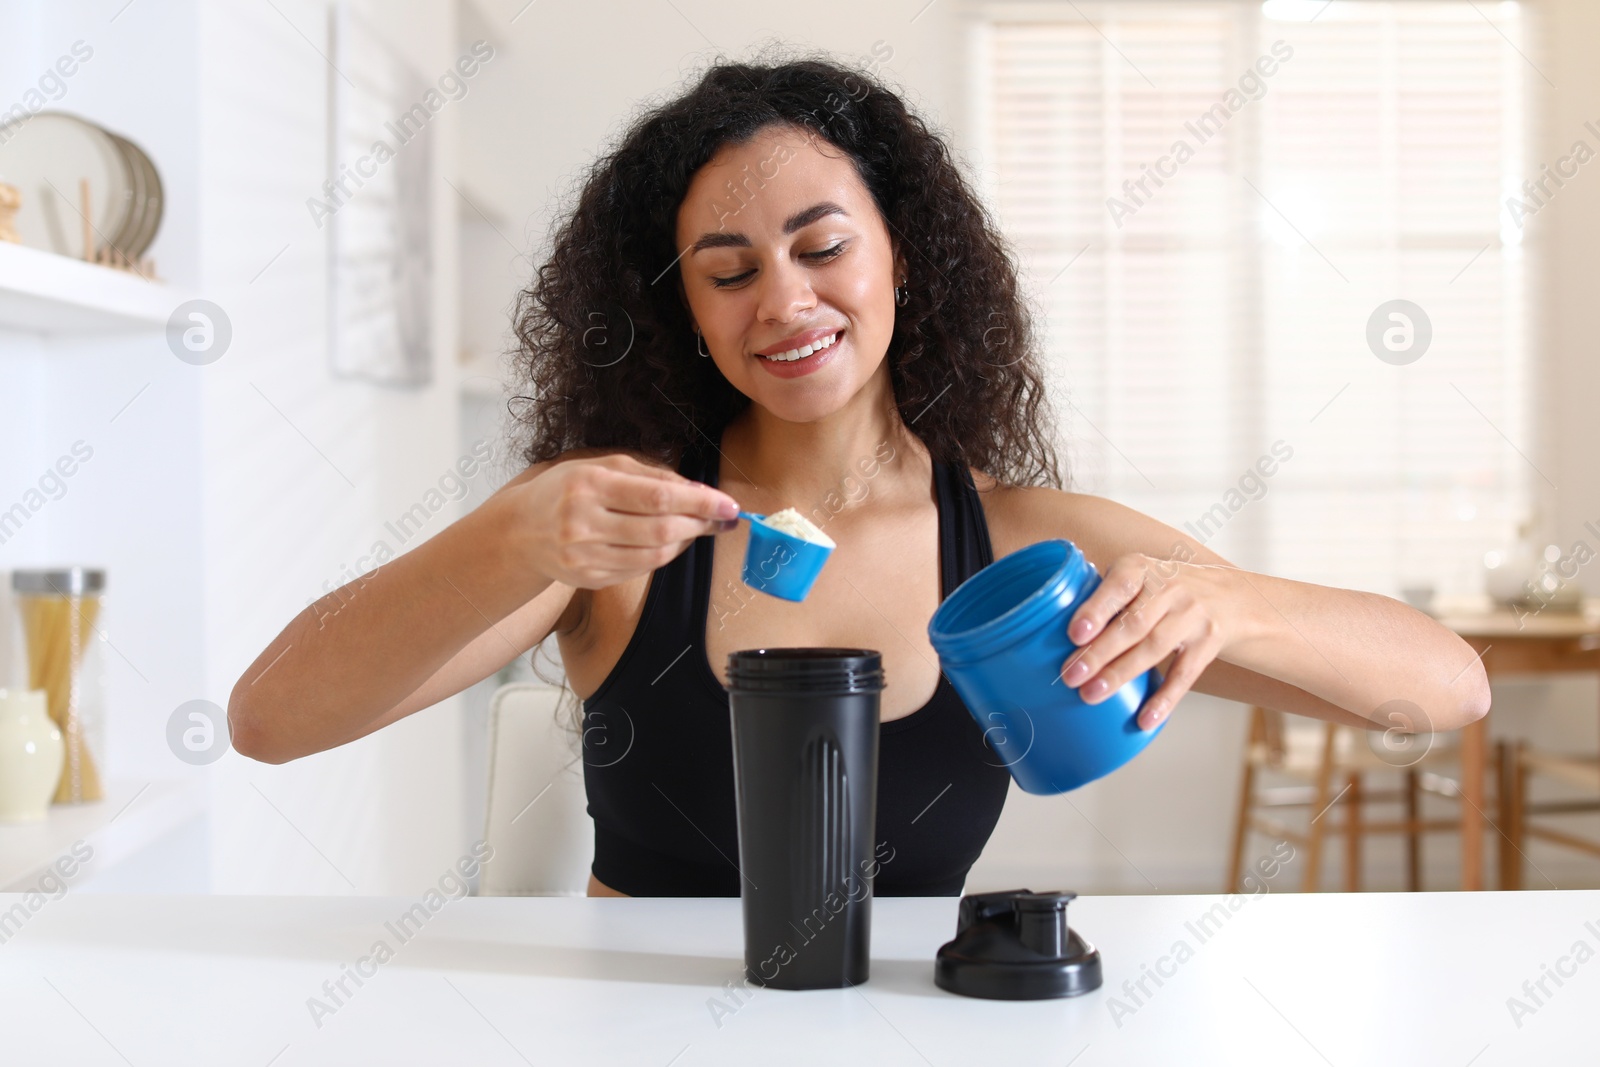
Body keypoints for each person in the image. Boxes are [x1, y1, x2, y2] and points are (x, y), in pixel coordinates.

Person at [229, 56, 1490, 897]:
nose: (784, 299)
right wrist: (512, 536)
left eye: (821, 245)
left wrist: (1234, 603)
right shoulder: (617, 531)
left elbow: (1446, 687)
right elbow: (270, 722)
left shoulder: (1023, 546)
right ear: (687, 315)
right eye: (727, 272)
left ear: (906, 260)